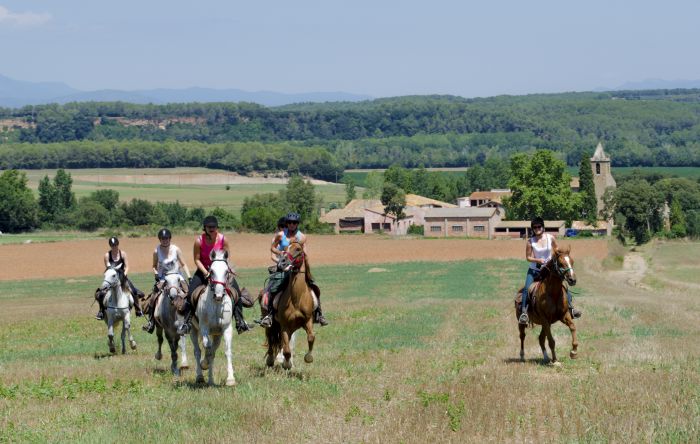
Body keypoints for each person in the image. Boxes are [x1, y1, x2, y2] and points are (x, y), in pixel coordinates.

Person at [177, 215, 251, 335]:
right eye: (209, 227)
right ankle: (186, 323)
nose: (212, 229)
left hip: (220, 271)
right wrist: (206, 273)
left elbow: (227, 257)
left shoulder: (223, 239)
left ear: (217, 227)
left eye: (214, 227)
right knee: (190, 293)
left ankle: (240, 322)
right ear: (204, 228)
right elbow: (196, 259)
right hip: (203, 271)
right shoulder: (198, 241)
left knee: (236, 293)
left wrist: (224, 271)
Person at [259, 212, 328, 327]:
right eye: (290, 222)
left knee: (314, 286)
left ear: (297, 224)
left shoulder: (302, 237)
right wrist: (281, 253)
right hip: (282, 267)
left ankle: (319, 314)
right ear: (287, 223)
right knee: (274, 288)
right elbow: (272, 248)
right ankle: (269, 315)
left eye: (294, 223)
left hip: (298, 268)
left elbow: (305, 253)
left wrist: (305, 266)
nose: (292, 225)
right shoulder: (280, 235)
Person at [519, 217, 581, 325]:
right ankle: (524, 313)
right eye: (535, 227)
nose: (537, 229)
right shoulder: (530, 242)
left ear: (543, 227)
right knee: (526, 289)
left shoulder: (550, 237)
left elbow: (556, 250)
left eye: (539, 226)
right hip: (534, 270)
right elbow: (528, 257)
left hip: (548, 269)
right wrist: (538, 259)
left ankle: (571, 308)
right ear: (532, 229)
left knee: (563, 286)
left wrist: (562, 258)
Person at [142, 228, 191, 333]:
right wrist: (156, 273)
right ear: (159, 239)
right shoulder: (156, 251)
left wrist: (189, 276)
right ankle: (151, 322)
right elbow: (154, 266)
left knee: (189, 294)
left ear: (170, 238)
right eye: (163, 238)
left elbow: (183, 264)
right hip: (163, 277)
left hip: (177, 276)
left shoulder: (176, 249)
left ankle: (189, 321)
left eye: (167, 238)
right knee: (153, 297)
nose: (165, 240)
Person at [95, 237, 144, 320]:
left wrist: (124, 275)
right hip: (112, 278)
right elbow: (108, 268)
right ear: (110, 245)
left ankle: (138, 310)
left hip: (123, 278)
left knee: (134, 291)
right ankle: (101, 311)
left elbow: (127, 266)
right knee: (101, 293)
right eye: (112, 245)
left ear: (118, 244)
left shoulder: (123, 254)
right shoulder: (107, 255)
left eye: (115, 245)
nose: (114, 246)